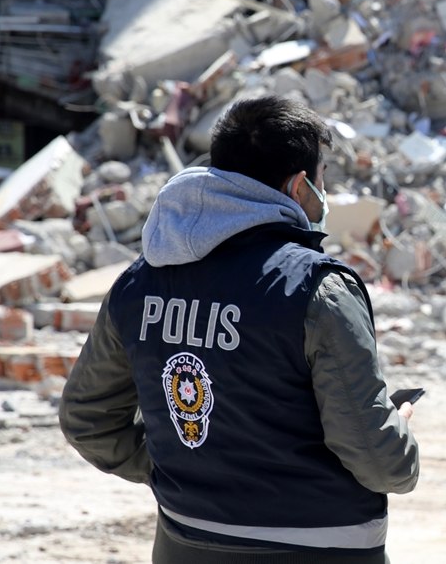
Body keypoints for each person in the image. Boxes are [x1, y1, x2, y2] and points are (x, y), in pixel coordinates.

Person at [59, 95, 419, 563]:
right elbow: (381, 464)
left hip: (185, 539)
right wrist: (401, 431)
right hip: (320, 546)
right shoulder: (317, 288)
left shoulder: (138, 282)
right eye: (323, 175)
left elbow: (87, 419)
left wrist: (180, 465)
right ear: (299, 185)